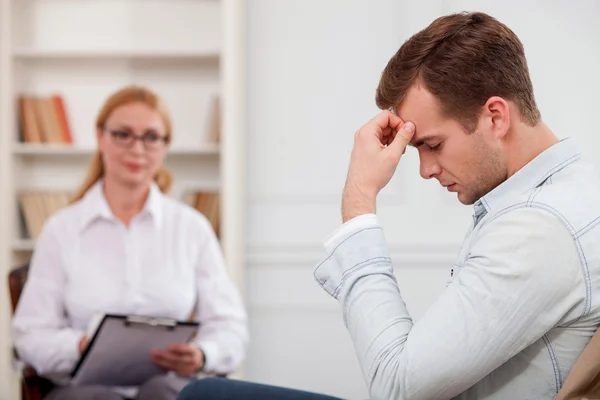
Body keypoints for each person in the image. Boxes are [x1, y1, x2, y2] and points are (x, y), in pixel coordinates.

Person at [177, 11, 600, 400]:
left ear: (495, 116)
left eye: (432, 145)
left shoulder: (540, 230)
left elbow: (397, 386)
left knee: (204, 396)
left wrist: (359, 202)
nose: (426, 169)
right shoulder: (568, 193)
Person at [12, 85, 249, 400]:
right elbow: (30, 335)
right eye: (123, 134)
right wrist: (80, 346)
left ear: (165, 146)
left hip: (167, 385)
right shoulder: (62, 230)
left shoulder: (192, 228)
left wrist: (202, 353)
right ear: (100, 137)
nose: (137, 148)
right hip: (83, 390)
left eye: (151, 137)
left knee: (165, 393)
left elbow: (230, 328)